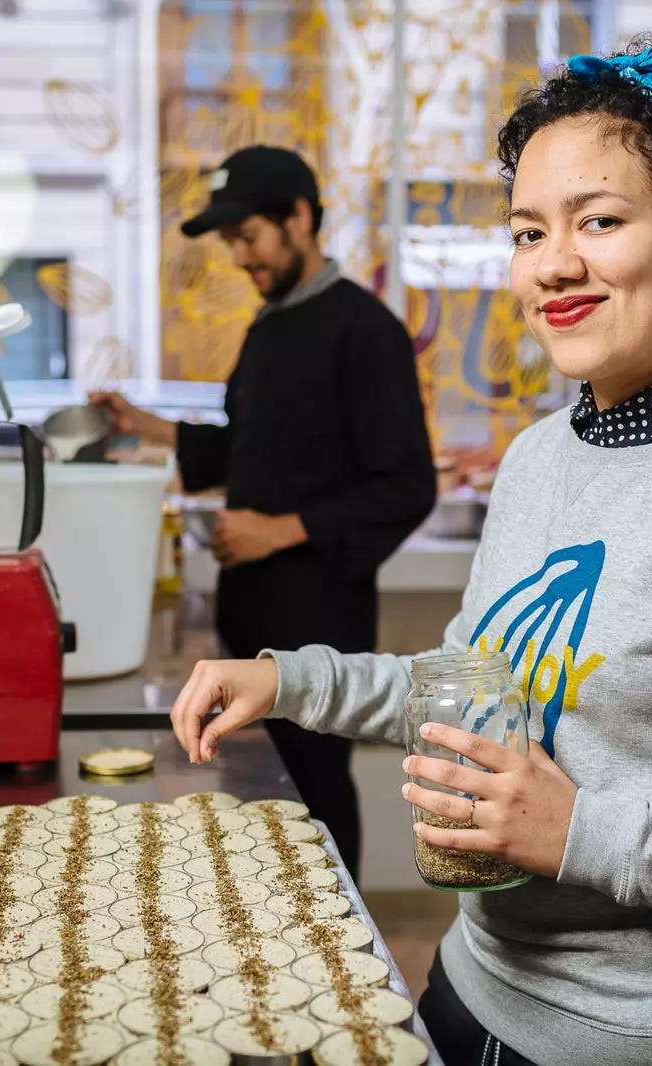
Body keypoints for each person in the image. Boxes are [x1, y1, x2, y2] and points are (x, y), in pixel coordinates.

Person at [167, 41, 652, 1066]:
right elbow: (473, 688)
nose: (552, 264)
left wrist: (578, 831)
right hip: (475, 990)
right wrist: (285, 679)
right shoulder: (539, 458)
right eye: (529, 230)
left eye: (601, 220)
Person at [94, 145, 437, 883]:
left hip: (320, 622)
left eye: (248, 236)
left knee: (312, 796)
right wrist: (144, 424)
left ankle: (338, 939)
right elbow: (249, 448)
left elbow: (407, 486)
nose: (239, 257)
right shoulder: (270, 326)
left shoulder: (365, 331)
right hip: (249, 618)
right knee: (257, 798)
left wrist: (276, 529)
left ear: (300, 219)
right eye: (231, 243)